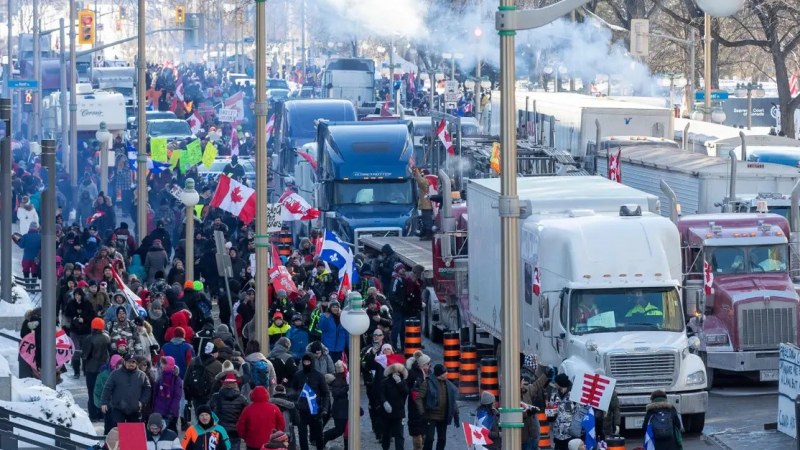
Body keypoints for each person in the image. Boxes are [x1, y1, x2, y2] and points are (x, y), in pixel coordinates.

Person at [100, 353, 152, 431]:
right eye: (128, 362)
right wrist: (104, 402)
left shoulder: (142, 375)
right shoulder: (115, 374)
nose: (131, 364)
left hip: (134, 409)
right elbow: (107, 388)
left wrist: (142, 401)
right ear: (124, 362)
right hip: (118, 408)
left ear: (136, 363)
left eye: (133, 362)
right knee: (117, 432)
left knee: (134, 433)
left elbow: (147, 389)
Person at [415, 364, 460, 450]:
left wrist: (456, 412)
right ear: (439, 374)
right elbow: (419, 398)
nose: (447, 373)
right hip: (430, 416)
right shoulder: (427, 383)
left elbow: (452, 400)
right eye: (444, 372)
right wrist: (422, 412)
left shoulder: (448, 384)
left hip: (443, 417)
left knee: (442, 439)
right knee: (429, 439)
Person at [291, 352, 330, 450]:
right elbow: (293, 390)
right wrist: (296, 403)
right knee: (302, 435)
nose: (306, 363)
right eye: (305, 361)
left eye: (308, 361)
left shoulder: (319, 376)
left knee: (318, 435)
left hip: (315, 409)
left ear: (312, 362)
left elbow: (325, 393)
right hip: (302, 410)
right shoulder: (298, 375)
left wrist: (325, 408)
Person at [236, 386, 286, 450]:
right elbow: (281, 425)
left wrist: (246, 438)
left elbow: (240, 426)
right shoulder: (274, 408)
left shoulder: (248, 409)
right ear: (267, 395)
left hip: (252, 443)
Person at [211, 373, 249, 450]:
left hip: (220, 428)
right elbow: (247, 413)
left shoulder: (216, 397)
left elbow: (209, 411)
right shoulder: (242, 399)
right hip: (235, 430)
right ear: (236, 384)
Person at [82, 317, 111, 421]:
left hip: (91, 368)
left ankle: (93, 415)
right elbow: (110, 353)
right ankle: (102, 413)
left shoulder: (89, 338)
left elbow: (85, 355)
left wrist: (83, 367)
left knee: (92, 391)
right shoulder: (107, 337)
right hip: (103, 368)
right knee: (102, 391)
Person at [184, 342, 223, 412]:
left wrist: (188, 398)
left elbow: (186, 380)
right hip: (210, 396)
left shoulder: (194, 361)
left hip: (196, 396)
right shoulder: (218, 365)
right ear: (213, 353)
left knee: (199, 415)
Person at [380, 359, 409, 450]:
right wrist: (385, 403)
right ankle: (385, 448)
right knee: (386, 434)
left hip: (399, 413)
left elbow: (405, 392)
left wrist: (399, 382)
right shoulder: (385, 382)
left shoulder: (402, 382)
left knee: (399, 434)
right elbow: (381, 394)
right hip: (387, 413)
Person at [406, 351, 432, 450]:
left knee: (426, 436)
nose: (429, 366)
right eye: (427, 364)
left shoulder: (429, 374)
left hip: (427, 408)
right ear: (422, 364)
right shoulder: (412, 374)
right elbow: (406, 389)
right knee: (417, 437)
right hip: (415, 408)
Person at [152, 356, 183, 433]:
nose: (161, 365)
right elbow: (156, 393)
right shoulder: (160, 377)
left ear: (168, 365)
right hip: (159, 410)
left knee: (170, 433)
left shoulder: (176, 379)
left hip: (170, 412)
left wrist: (172, 411)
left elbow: (177, 397)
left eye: (163, 363)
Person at [321, 361, 349, 448]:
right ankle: (323, 437)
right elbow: (336, 394)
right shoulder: (337, 380)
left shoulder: (346, 378)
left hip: (346, 409)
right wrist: (347, 388)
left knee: (348, 430)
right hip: (340, 410)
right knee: (339, 430)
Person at [550, 373, 579, 450]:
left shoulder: (574, 395)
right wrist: (550, 416)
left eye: (556, 382)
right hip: (557, 433)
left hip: (570, 434)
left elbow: (579, 412)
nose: (554, 384)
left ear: (560, 384)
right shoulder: (554, 394)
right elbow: (550, 409)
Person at [412, 168, 434, 240]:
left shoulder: (427, 181)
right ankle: (423, 233)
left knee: (427, 221)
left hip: (427, 205)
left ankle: (428, 235)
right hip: (426, 204)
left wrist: (417, 173)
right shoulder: (429, 181)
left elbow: (421, 181)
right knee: (425, 220)